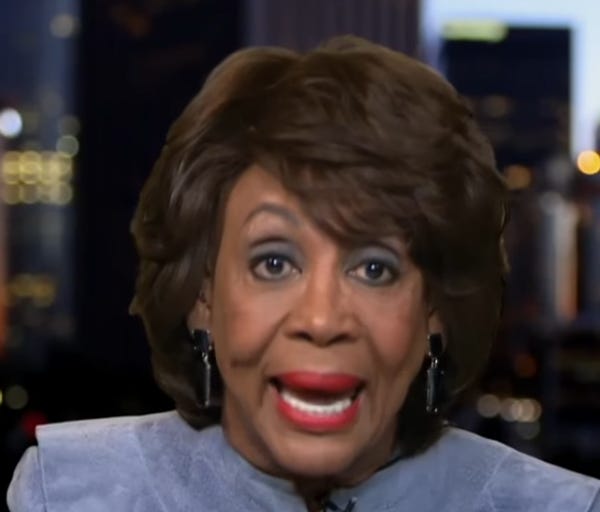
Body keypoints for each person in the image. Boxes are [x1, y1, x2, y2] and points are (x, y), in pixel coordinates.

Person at [7, 35, 600, 512]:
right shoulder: (70, 494)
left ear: (435, 312)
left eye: (374, 268)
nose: (321, 320)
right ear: (202, 296)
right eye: (274, 263)